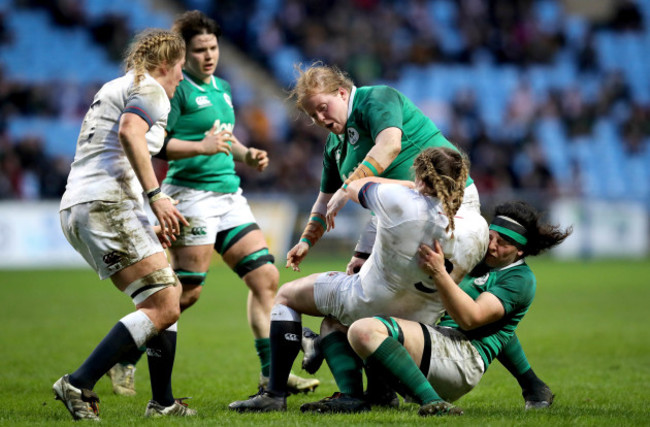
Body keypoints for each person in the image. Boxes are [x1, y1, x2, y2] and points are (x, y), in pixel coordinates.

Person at [283, 62, 553, 410]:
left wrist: (352, 185)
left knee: (454, 297)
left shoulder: (376, 99)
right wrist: (309, 239)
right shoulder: (338, 144)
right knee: (434, 295)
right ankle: (382, 387)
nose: (319, 118)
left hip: (441, 200)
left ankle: (519, 384)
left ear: (341, 92)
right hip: (399, 209)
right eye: (312, 114)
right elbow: (333, 196)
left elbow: (390, 148)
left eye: (323, 107)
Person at [107, 10, 318, 397]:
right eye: (199, 49)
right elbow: (159, 144)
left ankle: (273, 375)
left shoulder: (222, 86)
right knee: (185, 294)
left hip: (229, 196)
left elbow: (222, 138)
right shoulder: (175, 89)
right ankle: (124, 357)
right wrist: (201, 147)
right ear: (182, 54)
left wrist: (246, 153)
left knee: (266, 278)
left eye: (213, 47)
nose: (208, 55)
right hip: (192, 197)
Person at [228, 146, 475, 413]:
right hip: (417, 325)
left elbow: (356, 184)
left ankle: (275, 394)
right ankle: (378, 392)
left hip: (369, 299)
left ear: (421, 177)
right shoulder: (476, 227)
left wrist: (407, 184)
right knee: (333, 323)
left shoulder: (401, 199)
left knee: (286, 294)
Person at [54, 29, 195, 420]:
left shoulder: (115, 85)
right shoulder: (151, 89)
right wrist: (156, 197)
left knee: (164, 296)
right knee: (165, 304)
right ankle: (79, 382)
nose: (182, 78)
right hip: (107, 203)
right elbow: (129, 132)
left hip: (81, 204)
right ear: (164, 64)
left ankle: (162, 402)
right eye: (180, 68)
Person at [346, 201, 572, 416]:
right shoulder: (478, 257)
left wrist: (440, 273)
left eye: (502, 243)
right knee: (340, 318)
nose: (492, 246)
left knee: (365, 331)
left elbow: (471, 319)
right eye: (491, 237)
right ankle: (357, 396)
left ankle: (432, 401)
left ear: (520, 251)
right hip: (436, 342)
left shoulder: (520, 279)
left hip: (461, 359)